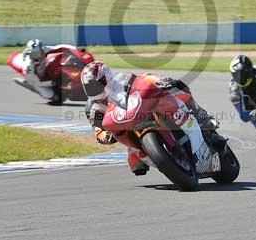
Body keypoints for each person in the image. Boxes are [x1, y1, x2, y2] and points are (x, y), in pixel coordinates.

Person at [81, 61, 217, 176]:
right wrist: (105, 137)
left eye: (97, 84)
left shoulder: (122, 81)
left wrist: (160, 80)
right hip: (128, 128)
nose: (95, 89)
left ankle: (202, 117)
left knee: (178, 91)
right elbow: (98, 130)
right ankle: (170, 165)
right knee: (136, 164)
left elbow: (143, 79)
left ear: (107, 76)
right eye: (90, 87)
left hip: (144, 109)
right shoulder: (93, 108)